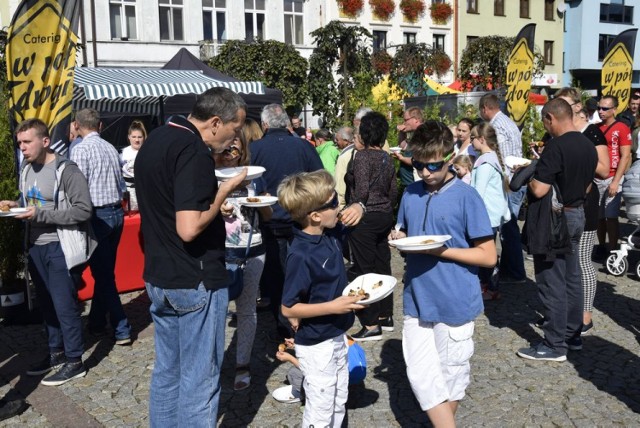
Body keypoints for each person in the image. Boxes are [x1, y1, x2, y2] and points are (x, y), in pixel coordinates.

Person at [134, 87, 248, 425]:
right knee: (200, 380)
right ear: (215, 122)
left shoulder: (157, 138)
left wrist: (212, 182)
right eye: (235, 128)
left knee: (168, 374)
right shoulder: (193, 150)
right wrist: (224, 190)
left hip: (159, 276)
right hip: (194, 277)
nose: (234, 137)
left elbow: (171, 198)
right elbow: (188, 226)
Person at [390, 120, 496, 426]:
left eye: (432, 166)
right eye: (419, 165)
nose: (424, 173)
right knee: (422, 379)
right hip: (417, 300)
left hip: (455, 303)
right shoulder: (410, 193)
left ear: (449, 158)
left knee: (451, 381)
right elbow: (404, 230)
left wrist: (441, 251)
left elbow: (488, 256)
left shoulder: (467, 196)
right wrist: (397, 236)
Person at [1, 119, 95, 386]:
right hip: (34, 247)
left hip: (59, 247)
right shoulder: (27, 167)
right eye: (19, 143)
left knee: (65, 306)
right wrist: (14, 205)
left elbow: (84, 210)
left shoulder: (66, 170)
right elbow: (29, 201)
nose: (22, 148)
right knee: (47, 305)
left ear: (44, 141)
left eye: (27, 142)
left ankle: (75, 361)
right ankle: (55, 353)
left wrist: (40, 214)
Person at [251, 104, 347, 341]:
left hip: (271, 219)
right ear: (286, 123)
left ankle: (285, 328)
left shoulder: (255, 148)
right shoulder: (304, 145)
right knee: (305, 273)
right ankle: (303, 319)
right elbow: (321, 178)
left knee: (277, 276)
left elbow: (252, 185)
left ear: (264, 125)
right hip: (302, 220)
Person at [278, 170, 365, 428]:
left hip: (336, 334)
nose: (340, 206)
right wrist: (335, 306)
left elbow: (354, 217)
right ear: (315, 216)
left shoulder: (329, 233)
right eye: (334, 202)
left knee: (338, 399)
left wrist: (360, 207)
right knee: (321, 407)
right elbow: (288, 307)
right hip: (317, 345)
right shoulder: (301, 254)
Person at [516, 98, 597, 362]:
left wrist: (527, 174)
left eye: (544, 121)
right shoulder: (588, 144)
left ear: (551, 118)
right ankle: (573, 337)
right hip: (578, 214)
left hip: (554, 221)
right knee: (572, 278)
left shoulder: (556, 146)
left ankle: (554, 344)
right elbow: (587, 185)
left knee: (551, 281)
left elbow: (539, 189)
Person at [71, 108, 132, 345]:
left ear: (77, 125)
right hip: (116, 212)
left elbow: (78, 189)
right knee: (105, 272)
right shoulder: (109, 147)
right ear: (100, 125)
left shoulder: (80, 150)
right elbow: (121, 183)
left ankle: (122, 327)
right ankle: (96, 322)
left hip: (97, 216)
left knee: (104, 275)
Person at [216, 133, 272, 391]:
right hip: (222, 252)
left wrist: (262, 203)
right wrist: (220, 209)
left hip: (253, 248)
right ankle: (212, 363)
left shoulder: (254, 178)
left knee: (247, 309)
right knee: (216, 311)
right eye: (226, 150)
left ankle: (242, 364)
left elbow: (268, 215)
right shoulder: (212, 177)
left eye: (235, 149)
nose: (230, 153)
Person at [345, 112, 397, 341]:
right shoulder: (387, 157)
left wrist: (357, 204)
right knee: (382, 265)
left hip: (365, 216)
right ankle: (386, 316)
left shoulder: (362, 156)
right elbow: (394, 190)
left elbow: (363, 190)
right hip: (384, 214)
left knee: (364, 270)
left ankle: (371, 323)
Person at [479, 93, 527, 284]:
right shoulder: (508, 121)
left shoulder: (497, 126)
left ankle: (514, 272)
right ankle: (511, 270)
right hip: (517, 179)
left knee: (507, 227)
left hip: (509, 182)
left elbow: (502, 159)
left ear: (485, 108)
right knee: (509, 226)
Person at [469, 123, 511, 301]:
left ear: (481, 139)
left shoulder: (485, 163)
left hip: (486, 216)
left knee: (484, 254)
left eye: (473, 138)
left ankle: (489, 288)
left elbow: (478, 192)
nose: (471, 142)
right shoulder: (491, 157)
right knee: (489, 251)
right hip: (492, 215)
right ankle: (489, 286)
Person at [596, 95, 632, 253]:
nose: (600, 111)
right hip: (597, 177)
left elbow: (625, 155)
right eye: (599, 108)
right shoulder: (596, 127)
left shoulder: (622, 128)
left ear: (614, 110)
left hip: (613, 176)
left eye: (605, 108)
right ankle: (602, 246)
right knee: (599, 216)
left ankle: (612, 249)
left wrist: (616, 181)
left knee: (611, 216)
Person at [392, 107, 423, 187]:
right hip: (409, 184)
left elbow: (418, 160)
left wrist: (401, 158)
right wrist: (402, 132)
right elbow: (404, 147)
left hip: (416, 184)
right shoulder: (416, 134)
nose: (404, 123)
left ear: (416, 119)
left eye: (406, 120)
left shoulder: (423, 134)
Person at [120, 120, 147, 212]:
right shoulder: (123, 153)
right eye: (134, 137)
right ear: (129, 137)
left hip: (144, 193)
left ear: (144, 137)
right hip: (128, 196)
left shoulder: (148, 152)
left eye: (140, 137)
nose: (137, 140)